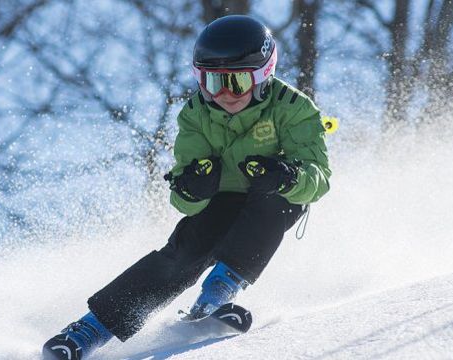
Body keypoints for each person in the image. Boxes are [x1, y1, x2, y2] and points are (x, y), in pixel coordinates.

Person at [41, 15, 331, 360]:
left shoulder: (293, 109)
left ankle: (219, 291)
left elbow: (319, 177)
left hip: (273, 196)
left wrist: (287, 176)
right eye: (211, 82)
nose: (224, 94)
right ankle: (89, 330)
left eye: (236, 82)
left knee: (273, 203)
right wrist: (193, 187)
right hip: (222, 199)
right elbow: (183, 201)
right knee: (186, 251)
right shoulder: (195, 114)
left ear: (263, 74)